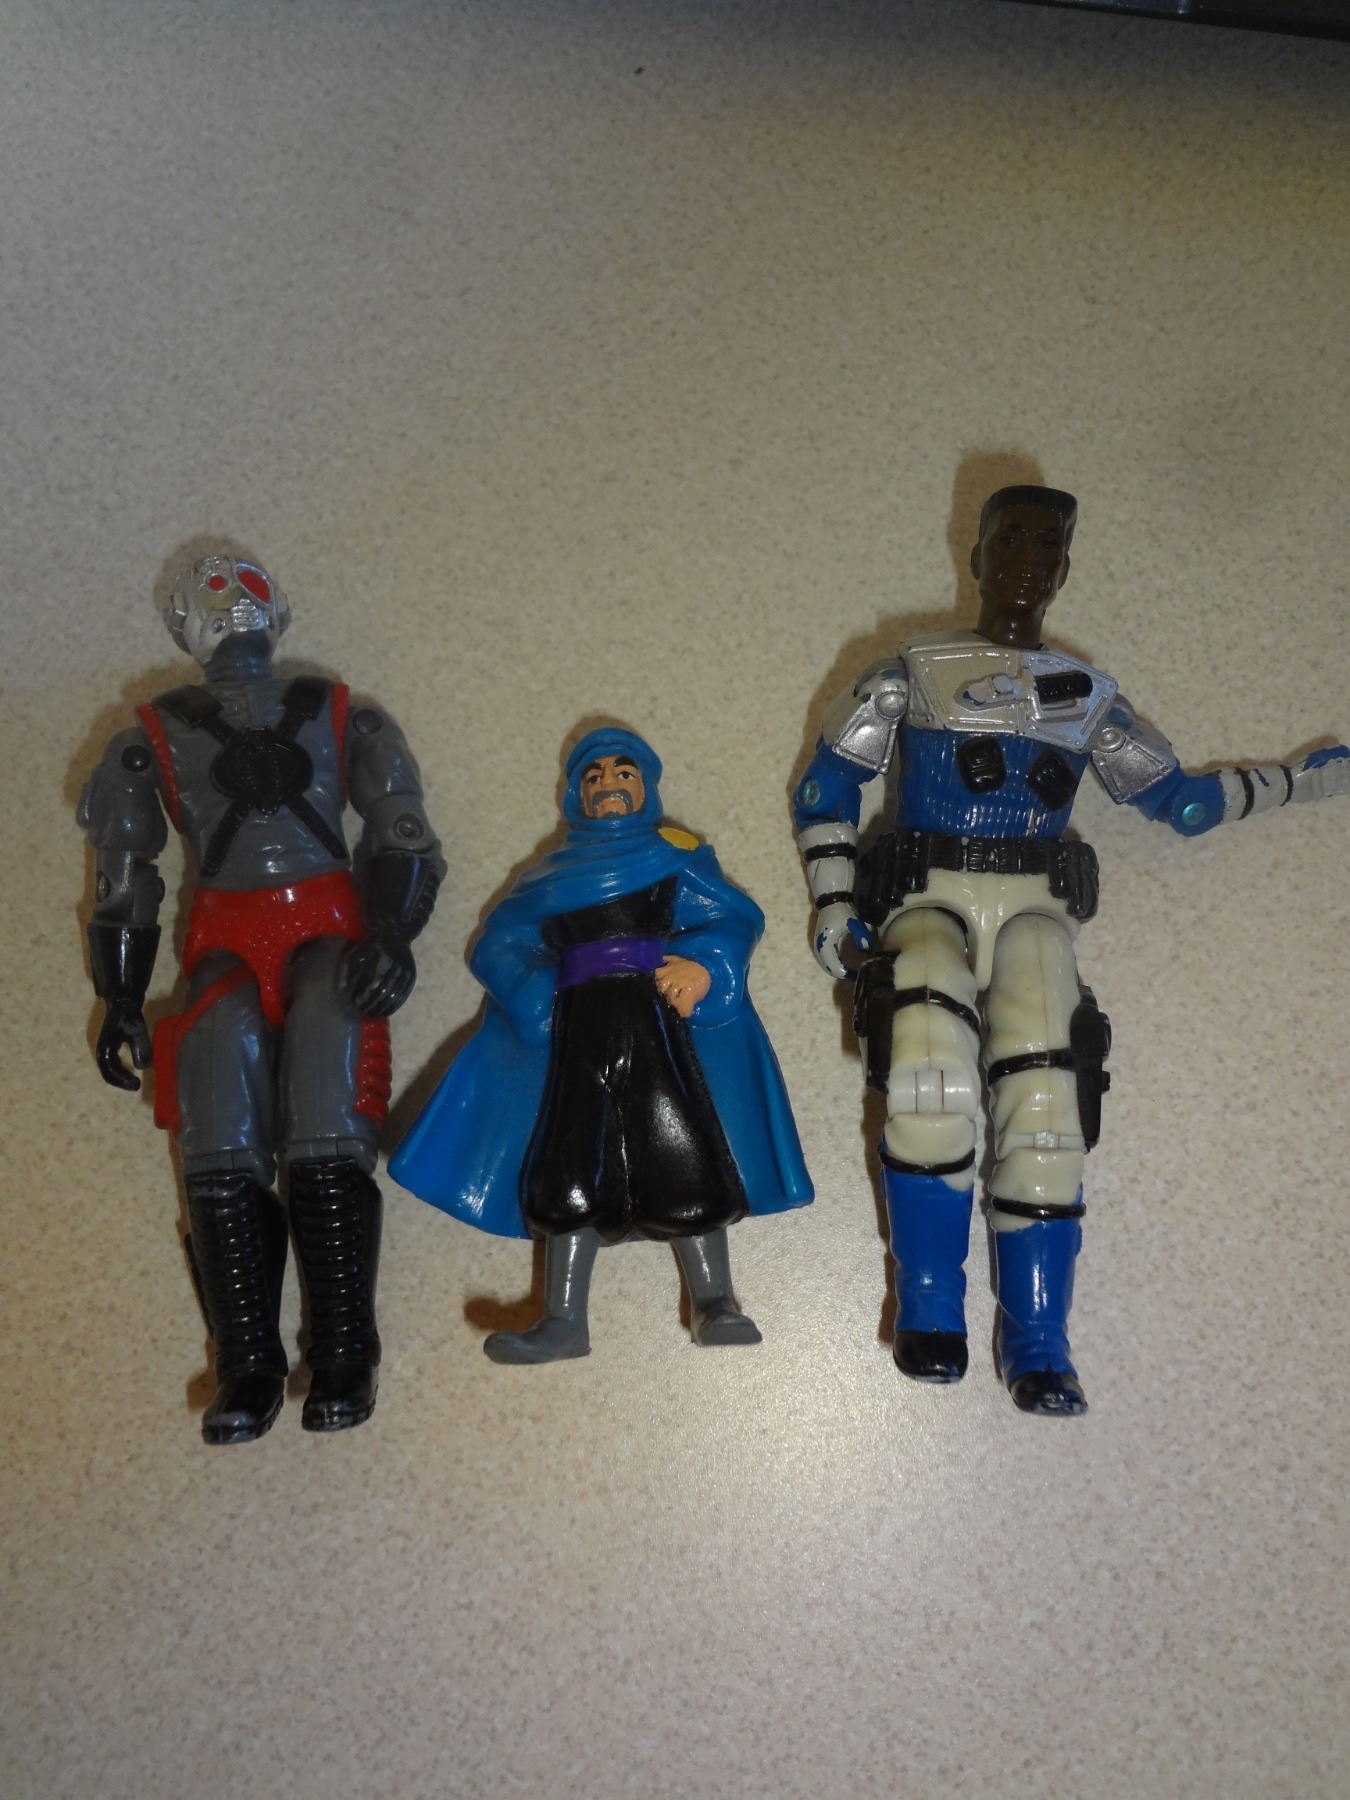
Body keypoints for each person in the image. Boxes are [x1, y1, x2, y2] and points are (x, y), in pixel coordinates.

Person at [793, 485, 1349, 1415]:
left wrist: (1298, 783)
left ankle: (1039, 1339)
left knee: (1048, 1110)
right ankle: (929, 1308)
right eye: (1010, 540)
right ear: (977, 554)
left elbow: (1183, 802)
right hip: (925, 899)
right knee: (927, 1081)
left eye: (1046, 545)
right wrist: (834, 900)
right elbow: (828, 785)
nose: (1026, 561)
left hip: (1034, 913)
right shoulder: (914, 673)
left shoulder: (1089, 699)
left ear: (1063, 567)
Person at [79, 552, 444, 1442]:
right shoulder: (157, 735)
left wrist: (391, 933)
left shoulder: (338, 712)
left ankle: (342, 1350)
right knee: (219, 1140)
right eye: (214, 595)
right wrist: (120, 993)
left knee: (325, 1136)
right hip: (233, 950)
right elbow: (124, 874)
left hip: (323, 939)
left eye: (240, 589)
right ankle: (248, 1360)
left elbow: (402, 832)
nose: (230, 605)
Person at [391, 726, 812, 1363]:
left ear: (646, 785)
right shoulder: (549, 874)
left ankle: (715, 1300)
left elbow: (732, 918)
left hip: (655, 1019)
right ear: (575, 795)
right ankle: (563, 1318)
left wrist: (704, 966)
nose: (608, 785)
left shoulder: (675, 856)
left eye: (623, 773)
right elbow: (498, 942)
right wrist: (533, 992)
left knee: (681, 1147)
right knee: (569, 1156)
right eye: (593, 777)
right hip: (576, 1026)